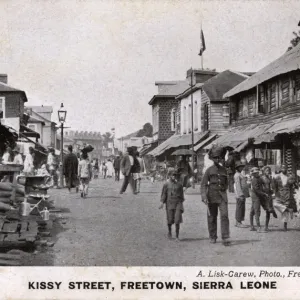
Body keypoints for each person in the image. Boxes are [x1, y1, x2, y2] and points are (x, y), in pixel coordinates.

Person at [201, 146, 230, 246]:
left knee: (224, 215)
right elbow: (204, 184)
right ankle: (213, 236)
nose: (218, 159)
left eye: (219, 158)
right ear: (212, 159)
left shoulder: (224, 170)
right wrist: (204, 196)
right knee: (212, 217)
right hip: (211, 196)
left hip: (222, 196)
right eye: (215, 158)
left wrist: (223, 189)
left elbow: (226, 182)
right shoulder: (209, 170)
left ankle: (225, 237)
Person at [159, 170, 184, 241]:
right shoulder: (166, 184)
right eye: (172, 175)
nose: (174, 176)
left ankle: (177, 236)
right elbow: (164, 194)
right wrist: (162, 203)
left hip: (177, 204)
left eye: (175, 175)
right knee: (170, 220)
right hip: (169, 204)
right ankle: (169, 232)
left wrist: (181, 205)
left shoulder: (179, 185)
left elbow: (182, 195)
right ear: (169, 175)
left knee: (177, 219)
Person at [273, 165, 297, 231]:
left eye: (285, 167)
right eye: (283, 167)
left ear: (287, 168)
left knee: (285, 213)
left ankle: (285, 226)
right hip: (279, 195)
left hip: (287, 195)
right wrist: (275, 194)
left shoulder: (290, 176)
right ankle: (289, 209)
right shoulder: (276, 177)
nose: (284, 169)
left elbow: (293, 186)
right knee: (275, 204)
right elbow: (275, 187)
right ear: (281, 168)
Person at [249, 167, 269, 233]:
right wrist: (264, 194)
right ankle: (258, 227)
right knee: (257, 211)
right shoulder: (254, 180)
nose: (257, 173)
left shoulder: (259, 178)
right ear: (253, 174)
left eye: (257, 172)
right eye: (255, 173)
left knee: (252, 211)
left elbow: (263, 184)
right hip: (256, 196)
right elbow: (256, 190)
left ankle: (252, 226)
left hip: (257, 196)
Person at [261, 166, 278, 231]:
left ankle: (266, 226)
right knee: (268, 209)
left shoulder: (270, 178)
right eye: (266, 170)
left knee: (268, 211)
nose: (268, 172)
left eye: (268, 170)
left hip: (269, 195)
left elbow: (273, 187)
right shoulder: (261, 178)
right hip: (264, 195)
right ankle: (273, 211)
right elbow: (260, 187)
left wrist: (272, 180)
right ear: (264, 171)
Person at [234, 161, 249, 228]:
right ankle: (238, 222)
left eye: (242, 166)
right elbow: (238, 186)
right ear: (237, 168)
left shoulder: (240, 174)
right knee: (239, 208)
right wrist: (240, 195)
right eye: (240, 167)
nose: (241, 168)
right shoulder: (237, 175)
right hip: (240, 194)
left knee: (242, 207)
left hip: (243, 193)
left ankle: (239, 221)